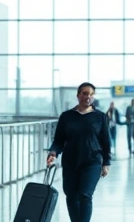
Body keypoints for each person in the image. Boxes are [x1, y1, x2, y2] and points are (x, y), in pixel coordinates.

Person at [47, 82, 111, 222]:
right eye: (85, 93)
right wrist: (53, 153)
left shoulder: (100, 117)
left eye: (91, 94)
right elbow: (59, 140)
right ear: (78, 96)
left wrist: (106, 163)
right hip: (70, 162)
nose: (88, 97)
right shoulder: (66, 116)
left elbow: (106, 141)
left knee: (85, 195)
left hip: (92, 161)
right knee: (71, 196)